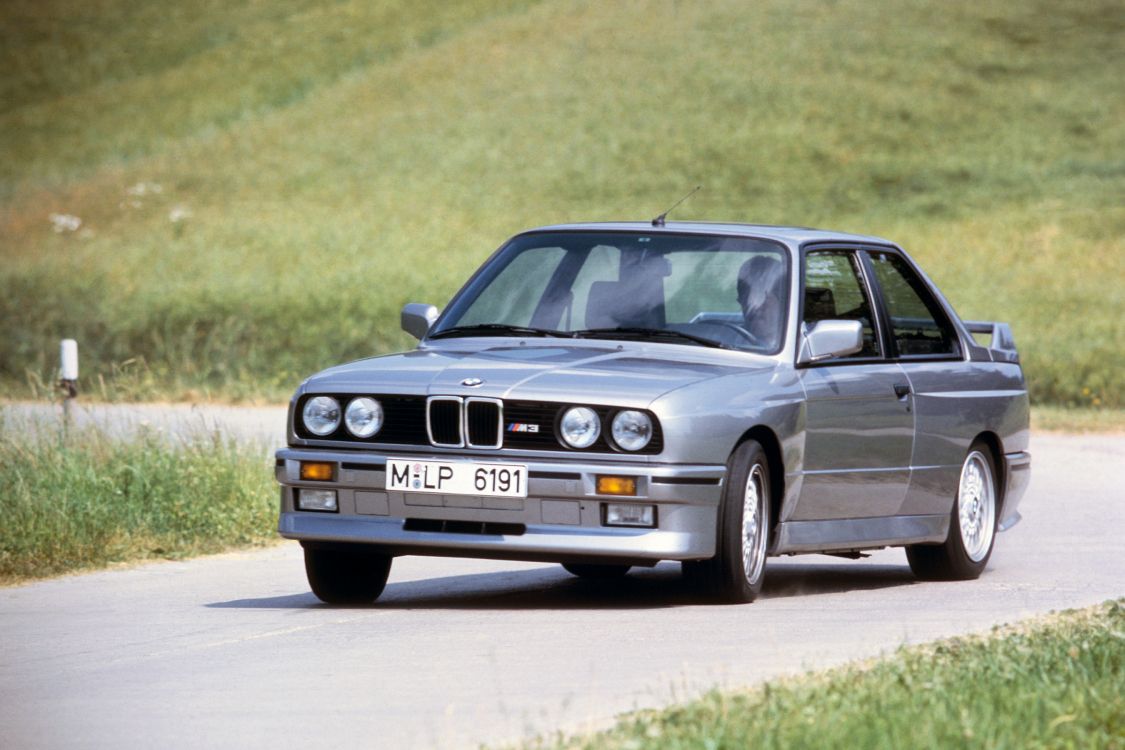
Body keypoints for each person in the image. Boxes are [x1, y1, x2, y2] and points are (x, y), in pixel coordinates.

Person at [736, 255, 785, 350]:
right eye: (746, 297)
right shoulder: (721, 343)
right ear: (740, 301)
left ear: (783, 302)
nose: (753, 304)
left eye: (761, 297)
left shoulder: (798, 344)